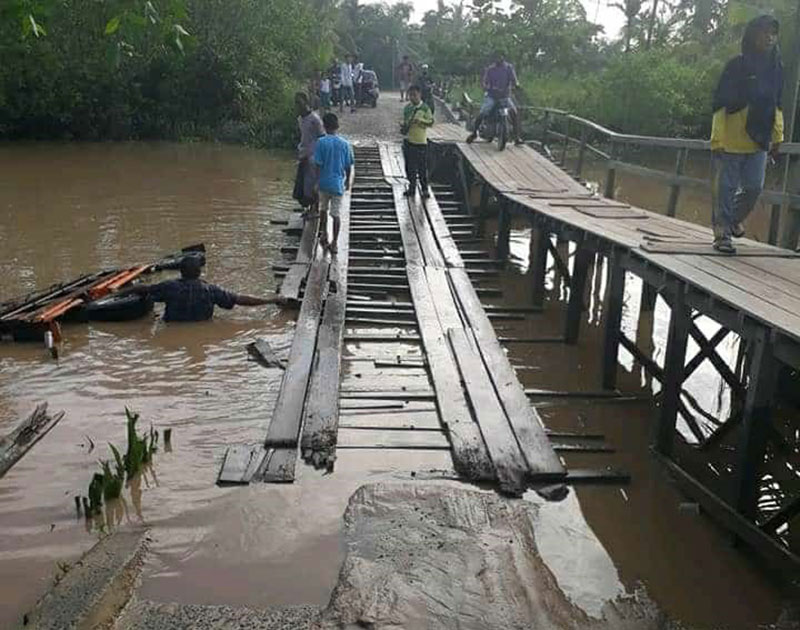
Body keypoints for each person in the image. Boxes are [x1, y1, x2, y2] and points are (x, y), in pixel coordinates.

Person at [710, 15, 784, 254]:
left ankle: (731, 220)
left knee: (753, 188)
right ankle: (722, 233)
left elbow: (777, 105)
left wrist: (778, 135)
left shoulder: (775, 69)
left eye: (773, 32)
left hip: (759, 138)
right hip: (732, 139)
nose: (770, 37)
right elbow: (720, 104)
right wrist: (717, 138)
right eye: (765, 32)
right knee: (727, 187)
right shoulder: (736, 66)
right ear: (753, 35)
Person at [117, 256, 284, 322]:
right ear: (199, 272)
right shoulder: (211, 290)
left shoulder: (169, 287)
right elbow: (240, 299)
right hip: (202, 323)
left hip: (172, 327)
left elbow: (143, 289)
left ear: (181, 271)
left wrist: (117, 293)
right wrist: (271, 300)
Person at [313, 113, 354, 254]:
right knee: (336, 214)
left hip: (324, 183)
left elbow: (317, 165)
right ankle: (335, 243)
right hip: (337, 184)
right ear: (337, 126)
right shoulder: (345, 144)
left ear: (324, 126)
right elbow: (349, 166)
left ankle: (324, 234)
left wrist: (316, 182)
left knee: (323, 210)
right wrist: (348, 181)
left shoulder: (321, 142)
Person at [466, 51, 522, 146]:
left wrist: (516, 85)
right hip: (492, 96)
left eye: (500, 56)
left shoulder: (509, 68)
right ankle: (474, 133)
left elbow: (514, 80)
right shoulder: (490, 69)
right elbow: (485, 82)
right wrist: (486, 87)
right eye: (496, 57)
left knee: (514, 113)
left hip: (505, 96)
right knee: (483, 112)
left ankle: (517, 137)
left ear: (503, 57)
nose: (498, 58)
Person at [292, 92, 325, 219]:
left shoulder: (315, 119)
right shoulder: (300, 119)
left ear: (306, 103)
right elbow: (302, 136)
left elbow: (322, 137)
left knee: (313, 184)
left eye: (299, 103)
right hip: (304, 154)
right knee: (304, 185)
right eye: (296, 104)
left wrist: (319, 155)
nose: (298, 107)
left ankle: (315, 209)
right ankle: (309, 208)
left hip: (313, 156)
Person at [402, 85, 434, 199]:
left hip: (421, 142)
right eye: (410, 95)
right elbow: (404, 121)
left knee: (422, 167)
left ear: (419, 95)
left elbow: (431, 122)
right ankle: (412, 187)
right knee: (410, 167)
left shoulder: (425, 108)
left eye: (414, 95)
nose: (412, 97)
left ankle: (424, 189)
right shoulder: (407, 108)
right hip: (409, 141)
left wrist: (420, 121)